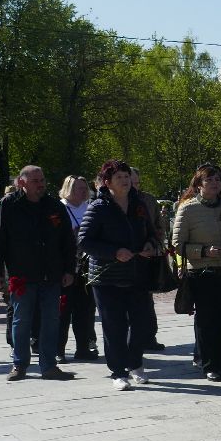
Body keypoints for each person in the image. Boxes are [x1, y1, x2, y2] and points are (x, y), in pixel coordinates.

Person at [0, 166, 77, 382]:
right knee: (22, 320)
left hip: (51, 274)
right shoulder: (8, 206)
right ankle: (19, 365)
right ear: (22, 183)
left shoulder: (53, 206)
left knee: (51, 320)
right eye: (35, 180)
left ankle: (48, 366)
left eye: (42, 180)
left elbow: (67, 241)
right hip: (22, 275)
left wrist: (69, 269)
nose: (41, 184)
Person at [77, 161, 159, 391]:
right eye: (119, 177)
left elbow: (153, 233)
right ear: (107, 182)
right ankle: (118, 371)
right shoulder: (98, 206)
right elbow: (84, 241)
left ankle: (135, 363)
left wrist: (151, 245)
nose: (125, 180)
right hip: (107, 278)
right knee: (115, 326)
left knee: (142, 323)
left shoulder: (139, 204)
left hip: (138, 274)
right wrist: (114, 252)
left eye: (126, 176)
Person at [172, 164, 221, 381]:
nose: (215, 183)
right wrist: (204, 251)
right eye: (209, 180)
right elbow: (177, 244)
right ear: (198, 185)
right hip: (201, 272)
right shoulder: (187, 208)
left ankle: (219, 358)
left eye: (217, 179)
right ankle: (209, 364)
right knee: (207, 321)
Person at [57, 175, 98, 361]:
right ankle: (58, 350)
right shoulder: (59, 208)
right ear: (69, 189)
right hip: (66, 266)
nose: (84, 191)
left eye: (85, 188)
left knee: (85, 310)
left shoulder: (90, 207)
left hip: (87, 266)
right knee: (62, 311)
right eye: (79, 188)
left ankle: (83, 348)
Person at [129, 169, 167, 352]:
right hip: (127, 258)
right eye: (132, 183)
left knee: (147, 299)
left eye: (138, 183)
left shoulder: (149, 200)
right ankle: (131, 340)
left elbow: (159, 225)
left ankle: (149, 337)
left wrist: (154, 242)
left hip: (149, 255)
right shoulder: (118, 201)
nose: (135, 187)